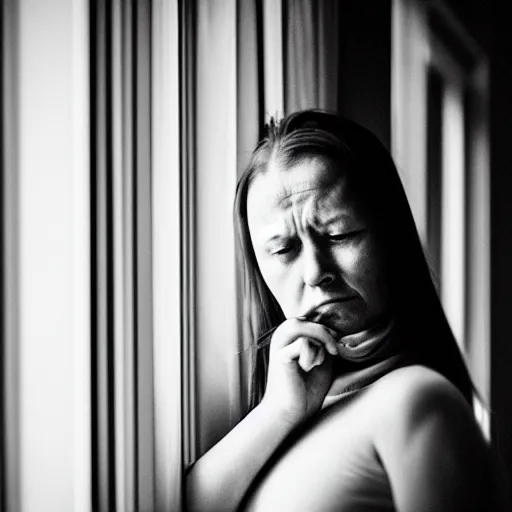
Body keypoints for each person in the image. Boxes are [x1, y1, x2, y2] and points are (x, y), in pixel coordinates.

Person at [185, 110, 508, 511]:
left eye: (339, 234)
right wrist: (279, 411)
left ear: (390, 235)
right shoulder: (289, 409)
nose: (316, 272)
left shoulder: (418, 401)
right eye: (284, 250)